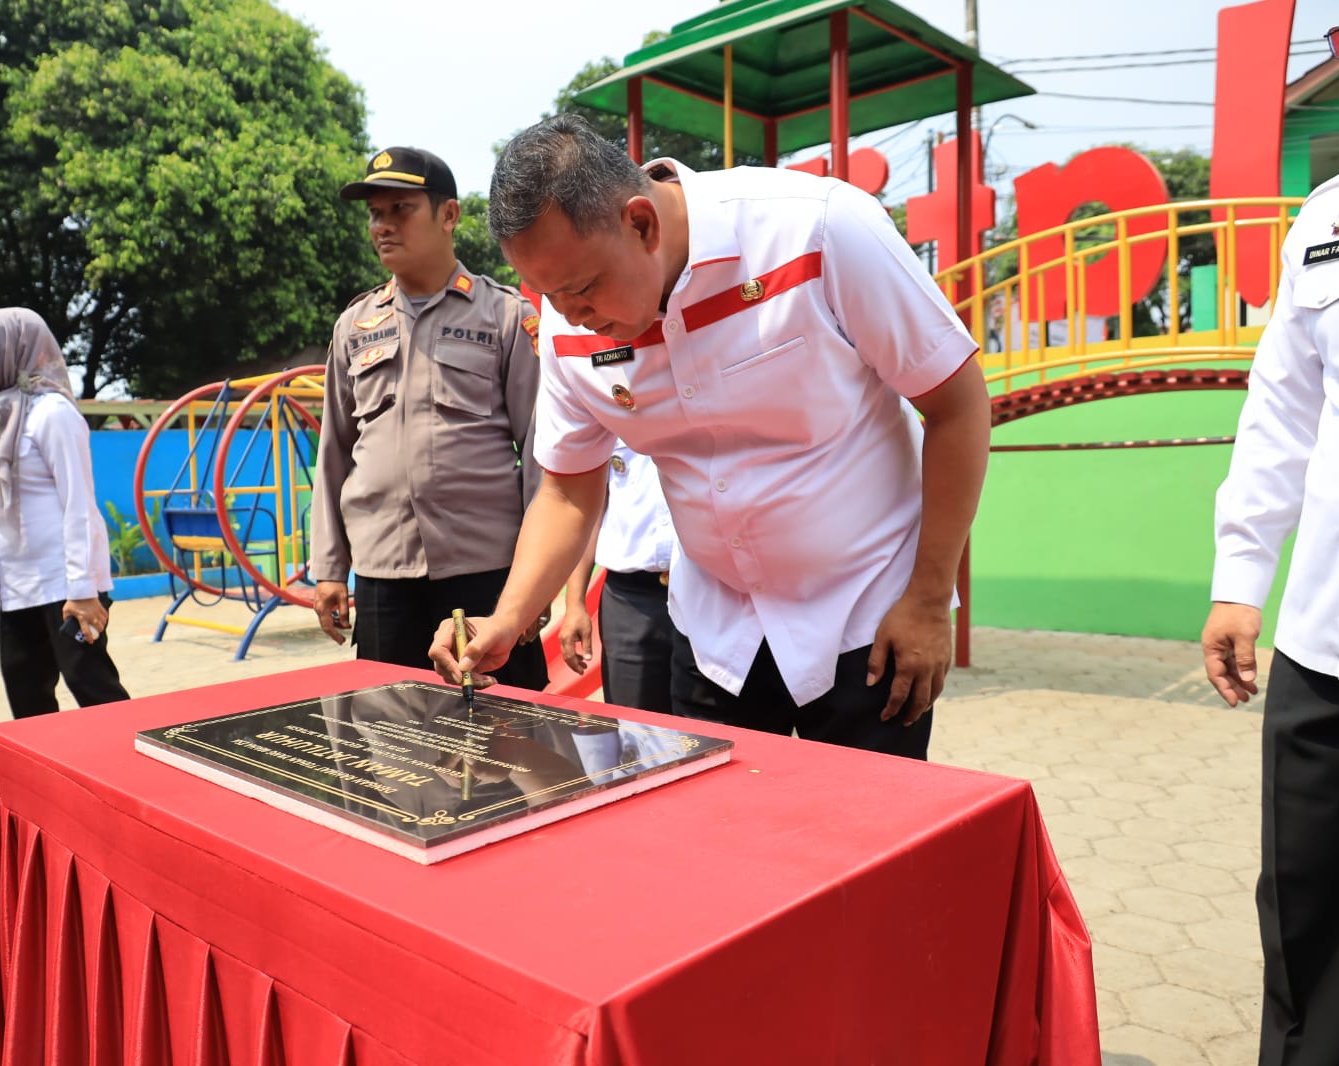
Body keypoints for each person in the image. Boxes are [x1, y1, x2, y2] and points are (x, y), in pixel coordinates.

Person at [431, 114, 991, 758]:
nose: (571, 316)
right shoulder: (567, 323)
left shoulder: (818, 231)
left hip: (867, 625)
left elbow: (957, 406)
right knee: (721, 845)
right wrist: (509, 617)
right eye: (550, 295)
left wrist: (926, 600)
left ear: (641, 224)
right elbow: (567, 489)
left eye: (582, 289)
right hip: (716, 638)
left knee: (866, 844)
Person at [1201, 9, 1339, 1062]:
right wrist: (1241, 579)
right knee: (1315, 972)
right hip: (1330, 661)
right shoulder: (1332, 215)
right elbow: (1281, 411)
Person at [309, 146, 548, 690]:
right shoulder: (356, 325)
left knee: (506, 742)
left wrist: (532, 586)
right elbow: (335, 451)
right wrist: (328, 568)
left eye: (400, 209)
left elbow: (540, 452)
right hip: (382, 574)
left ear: (449, 215)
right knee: (389, 734)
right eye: (375, 214)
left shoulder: (505, 315)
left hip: (486, 574)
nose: (382, 226)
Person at [0, 308, 130, 719]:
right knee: (27, 702)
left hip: (65, 585)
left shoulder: (53, 413)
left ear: (3, 354)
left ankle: (137, 778)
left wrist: (82, 589)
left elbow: (79, 504)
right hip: (16, 589)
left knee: (94, 691)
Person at [559, 442, 678, 713]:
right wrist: (575, 603)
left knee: (714, 727)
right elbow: (588, 511)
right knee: (634, 728)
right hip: (630, 601)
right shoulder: (606, 408)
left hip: (708, 593)